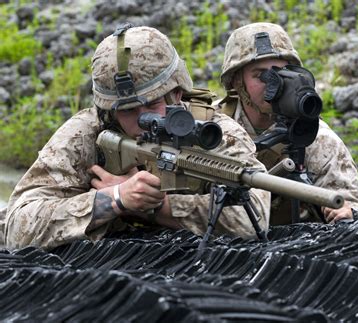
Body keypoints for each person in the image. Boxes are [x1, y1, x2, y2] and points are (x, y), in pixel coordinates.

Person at [3, 25, 270, 250]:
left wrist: (157, 206)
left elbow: (252, 219)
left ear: (176, 93)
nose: (143, 119)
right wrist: (114, 199)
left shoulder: (214, 132)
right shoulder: (86, 133)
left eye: (152, 104)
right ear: (108, 110)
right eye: (128, 110)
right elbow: (17, 227)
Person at [217, 22, 358, 224]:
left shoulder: (313, 137)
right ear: (237, 81)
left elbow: (355, 207)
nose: (273, 83)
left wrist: (349, 213)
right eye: (261, 75)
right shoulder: (212, 127)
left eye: (281, 73)